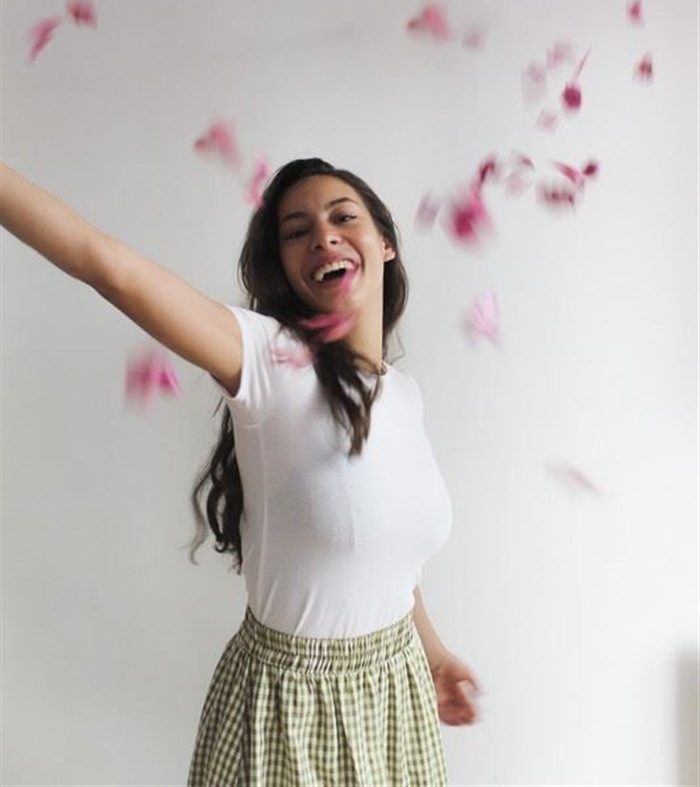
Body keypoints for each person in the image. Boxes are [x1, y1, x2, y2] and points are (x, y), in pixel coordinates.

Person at [1, 155, 481, 786]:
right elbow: (109, 268)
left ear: (384, 243)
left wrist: (433, 652)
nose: (324, 236)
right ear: (284, 267)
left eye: (343, 217)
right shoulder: (268, 360)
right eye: (297, 231)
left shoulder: (404, 394)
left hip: (397, 695)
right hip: (289, 712)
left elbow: (392, 558)